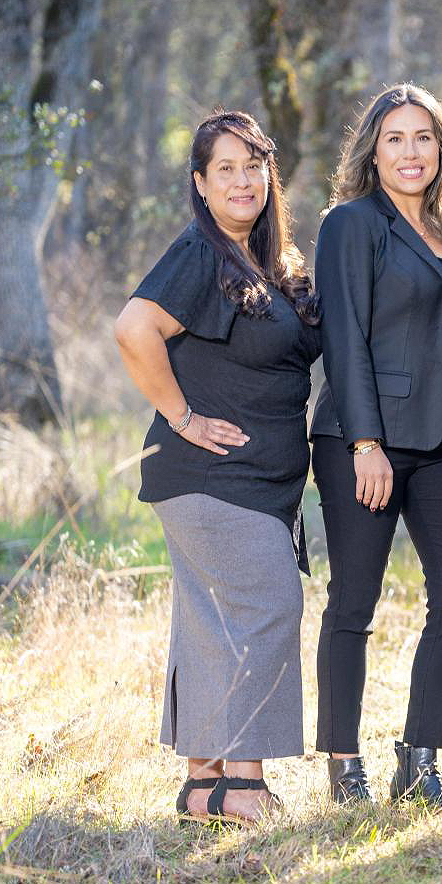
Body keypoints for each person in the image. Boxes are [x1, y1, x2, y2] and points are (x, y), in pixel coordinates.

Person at [114, 110, 320, 827]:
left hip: (252, 483)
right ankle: (246, 785)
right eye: (224, 169)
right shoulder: (201, 252)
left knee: (211, 621)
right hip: (210, 478)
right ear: (200, 184)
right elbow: (133, 328)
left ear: (269, 175)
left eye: (253, 166)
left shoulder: (265, 260)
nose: (241, 181)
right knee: (269, 606)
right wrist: (182, 418)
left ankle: (203, 787)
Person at [312, 84, 442, 808]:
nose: (410, 152)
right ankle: (343, 766)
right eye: (395, 138)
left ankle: (418, 762)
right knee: (354, 600)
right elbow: (343, 338)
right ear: (373, 150)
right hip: (365, 440)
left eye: (424, 138)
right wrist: (366, 442)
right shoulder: (351, 224)